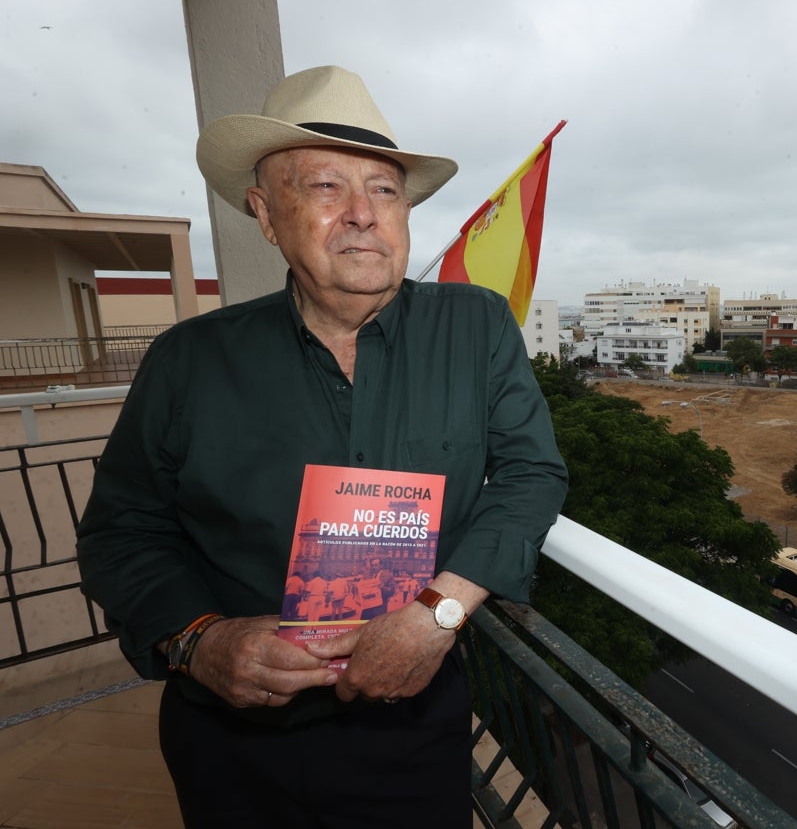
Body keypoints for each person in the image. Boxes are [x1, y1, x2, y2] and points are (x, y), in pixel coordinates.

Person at [76, 65, 568, 828]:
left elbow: (531, 473)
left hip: (413, 724)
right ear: (266, 215)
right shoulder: (188, 360)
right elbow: (122, 531)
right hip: (233, 741)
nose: (364, 215)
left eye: (384, 189)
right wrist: (200, 640)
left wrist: (436, 615)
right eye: (327, 188)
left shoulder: (476, 329)